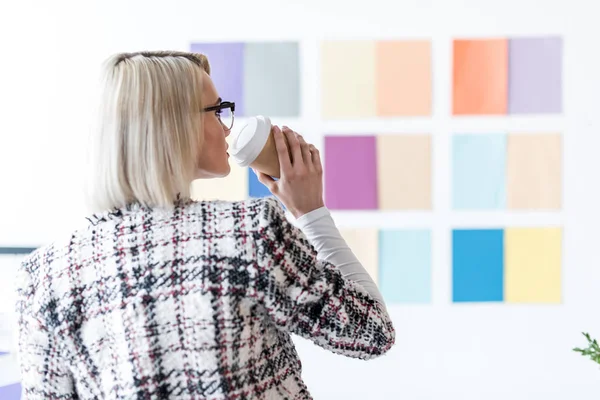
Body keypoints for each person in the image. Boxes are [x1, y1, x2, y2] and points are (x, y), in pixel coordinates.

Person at [14, 50, 395, 399]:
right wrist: (311, 211)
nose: (227, 127)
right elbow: (372, 332)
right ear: (173, 125)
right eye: (216, 111)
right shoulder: (249, 233)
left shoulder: (44, 275)